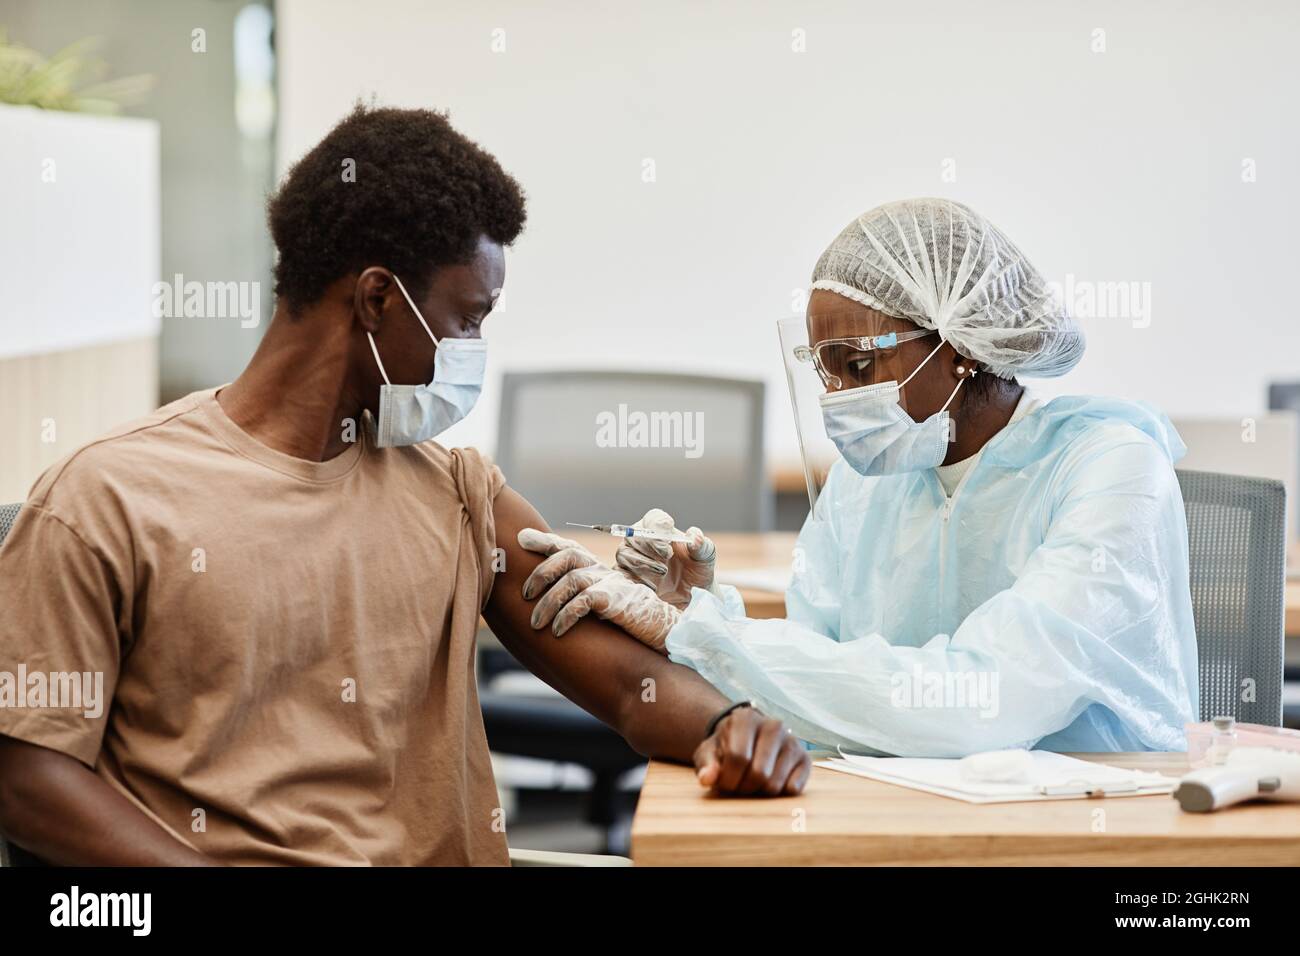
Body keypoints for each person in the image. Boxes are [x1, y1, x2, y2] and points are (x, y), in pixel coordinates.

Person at [0, 105, 810, 867]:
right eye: (469, 321)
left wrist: (726, 725)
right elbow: (27, 773)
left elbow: (631, 691)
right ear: (378, 298)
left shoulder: (459, 493)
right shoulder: (108, 499)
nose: (475, 352)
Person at [519, 198, 1200, 757]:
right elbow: (816, 679)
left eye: (857, 365)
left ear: (957, 346)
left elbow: (977, 703)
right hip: (898, 814)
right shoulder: (871, 479)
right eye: (823, 369)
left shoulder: (1112, 469)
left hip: (1093, 827)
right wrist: (702, 609)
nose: (837, 397)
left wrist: (704, 637)